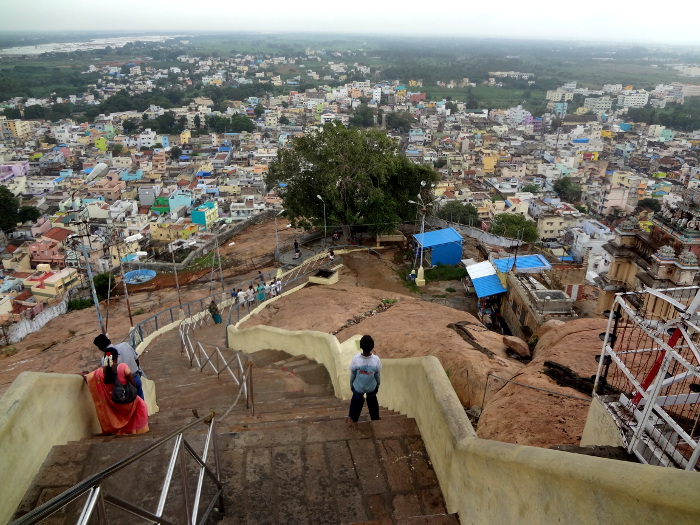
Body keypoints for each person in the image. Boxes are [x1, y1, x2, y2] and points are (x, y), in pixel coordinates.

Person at [82, 350, 149, 435]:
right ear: (116, 359)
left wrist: (84, 375)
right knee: (140, 405)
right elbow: (133, 383)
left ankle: (120, 431)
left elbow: (89, 378)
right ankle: (135, 431)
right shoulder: (122, 367)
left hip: (112, 404)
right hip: (125, 403)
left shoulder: (98, 373)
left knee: (117, 416)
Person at [93, 334, 144, 400]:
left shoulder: (105, 359)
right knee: (141, 402)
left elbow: (108, 374)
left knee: (129, 406)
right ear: (109, 340)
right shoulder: (125, 345)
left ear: (100, 348)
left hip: (122, 385)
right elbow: (136, 360)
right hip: (136, 377)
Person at [347, 335, 382, 424]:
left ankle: (352, 418)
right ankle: (375, 418)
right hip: (371, 387)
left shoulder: (356, 359)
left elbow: (353, 375)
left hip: (358, 387)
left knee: (356, 401)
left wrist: (351, 385)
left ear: (361, 346)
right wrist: (377, 385)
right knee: (372, 400)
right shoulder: (376, 359)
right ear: (372, 347)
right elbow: (377, 375)